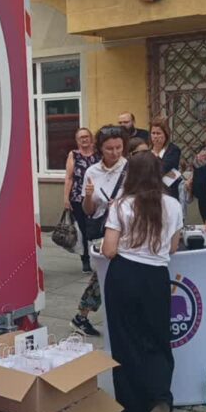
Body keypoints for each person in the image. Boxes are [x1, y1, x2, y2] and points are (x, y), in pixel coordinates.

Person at [100, 151, 184, 412]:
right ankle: (160, 397)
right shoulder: (172, 205)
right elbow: (173, 248)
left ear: (130, 175)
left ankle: (132, 407)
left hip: (124, 275)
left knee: (125, 340)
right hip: (155, 277)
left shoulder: (121, 205)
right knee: (158, 338)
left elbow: (109, 250)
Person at [73, 126, 127, 336]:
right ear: (100, 149)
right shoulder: (92, 171)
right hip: (102, 230)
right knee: (103, 274)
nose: (115, 153)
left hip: (125, 230)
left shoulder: (130, 168)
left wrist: (121, 204)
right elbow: (89, 211)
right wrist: (88, 196)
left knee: (108, 275)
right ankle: (82, 316)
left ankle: (82, 316)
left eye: (118, 148)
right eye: (109, 148)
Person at [63, 127, 99, 274]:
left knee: (96, 227)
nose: (84, 139)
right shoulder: (74, 155)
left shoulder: (98, 154)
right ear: (77, 140)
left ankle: (99, 255)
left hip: (96, 196)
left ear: (91, 138)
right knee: (83, 229)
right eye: (81, 137)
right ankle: (85, 259)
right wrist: (66, 198)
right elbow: (69, 177)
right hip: (78, 196)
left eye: (86, 136)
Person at [149, 116, 182, 200]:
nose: (155, 136)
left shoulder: (173, 150)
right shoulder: (148, 149)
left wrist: (156, 154)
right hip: (150, 194)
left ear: (165, 134)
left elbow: (165, 169)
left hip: (168, 193)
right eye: (153, 133)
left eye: (158, 133)